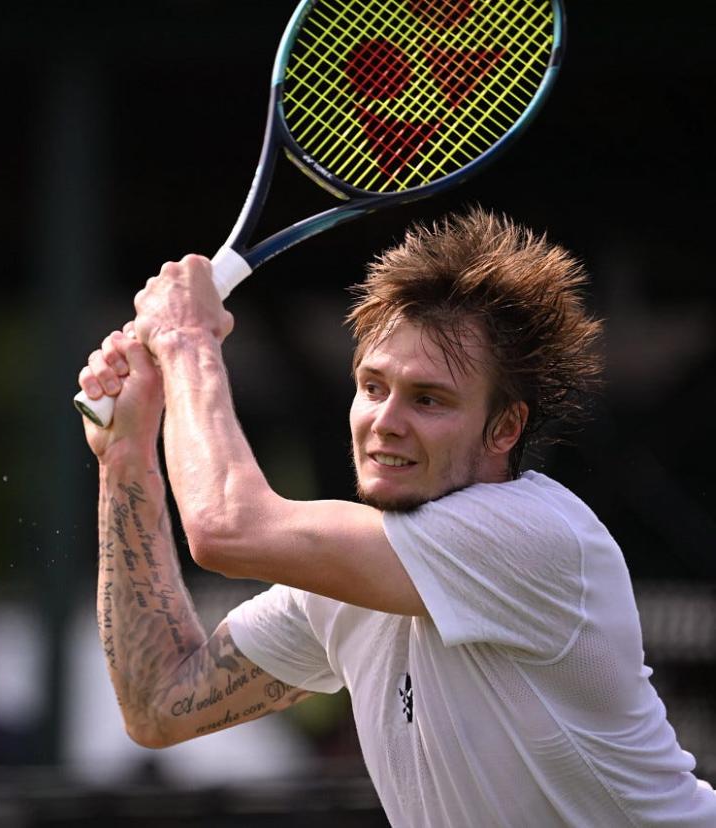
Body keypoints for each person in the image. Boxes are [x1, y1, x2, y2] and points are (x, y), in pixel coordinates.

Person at [77, 209, 716, 826]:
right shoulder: (348, 582)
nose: (386, 421)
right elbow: (159, 705)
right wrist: (126, 456)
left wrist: (186, 339)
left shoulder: (532, 533)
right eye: (374, 387)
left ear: (505, 427)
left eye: (429, 399)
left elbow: (225, 527)